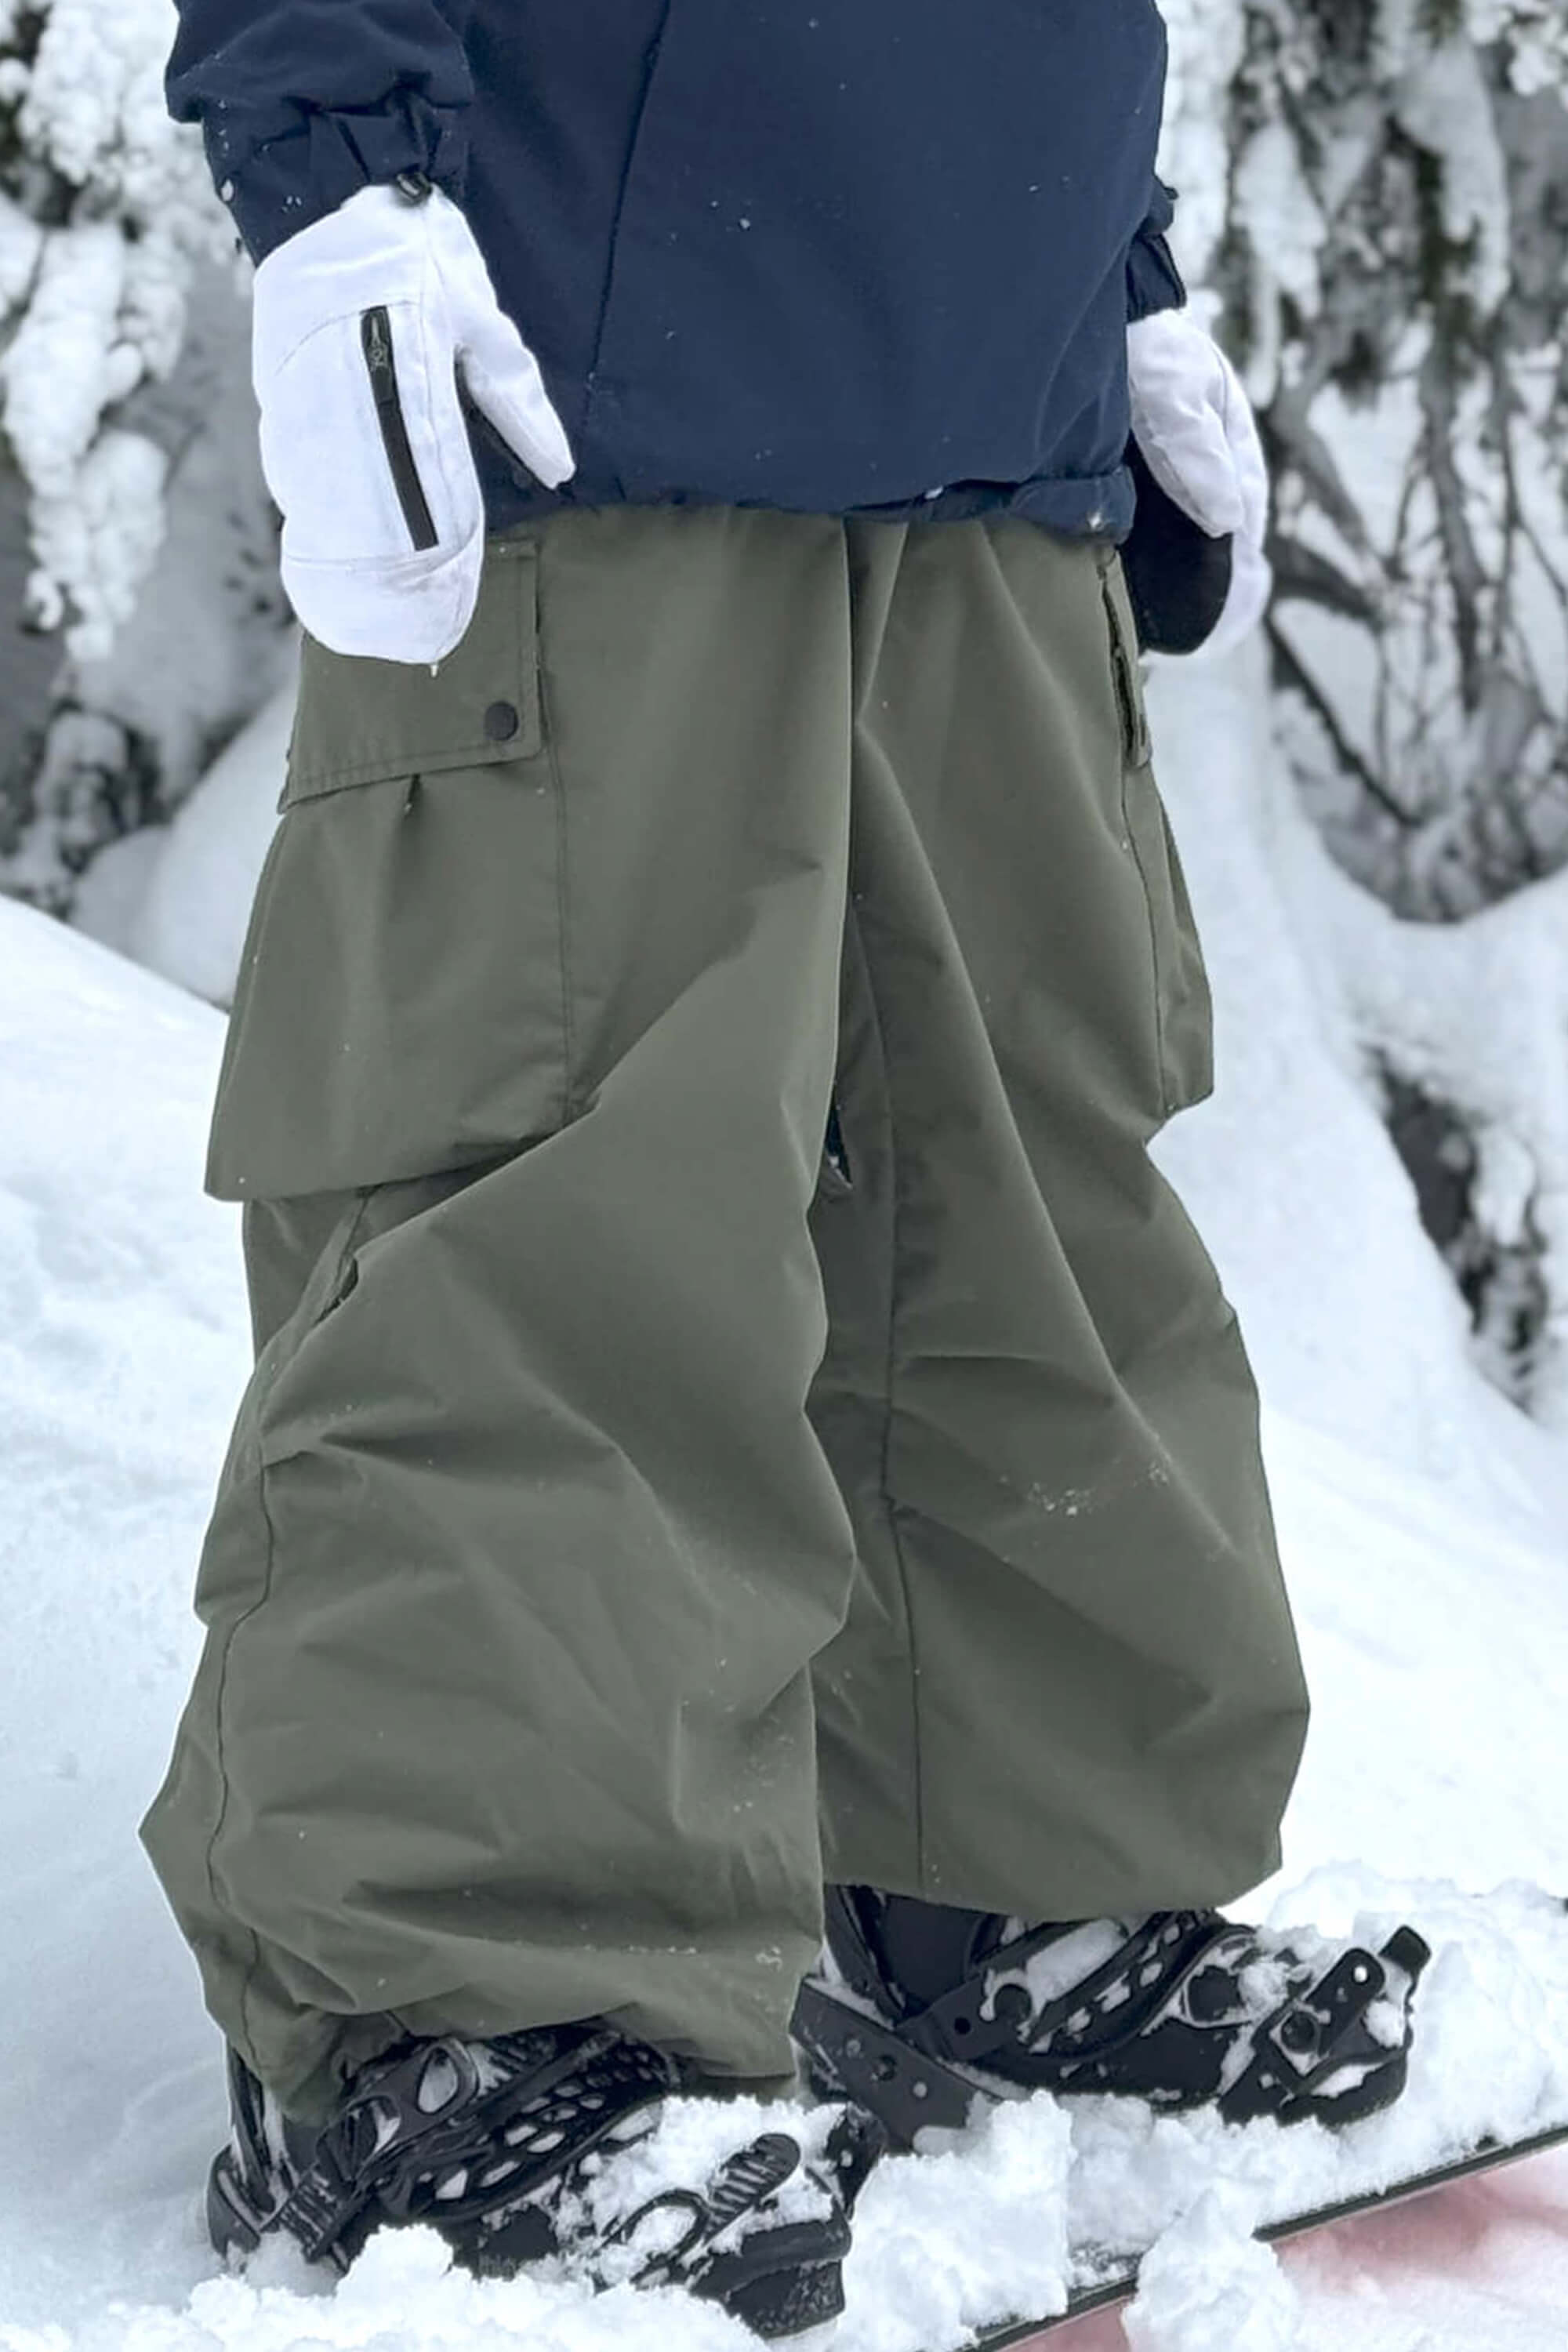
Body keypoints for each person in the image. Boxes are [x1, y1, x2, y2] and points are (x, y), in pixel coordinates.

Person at [143, 1, 1427, 2332]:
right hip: (589, 354)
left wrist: (1116, 265)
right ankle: (463, 2016)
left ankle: (1012, 1879)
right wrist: (332, 164)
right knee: (566, 1217)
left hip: (999, 382)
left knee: (1018, 1196)